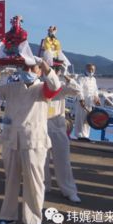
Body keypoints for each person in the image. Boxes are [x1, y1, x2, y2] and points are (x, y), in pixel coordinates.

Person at [0, 59, 61, 224]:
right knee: (10, 180)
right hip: (12, 139)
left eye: (31, 68)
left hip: (34, 142)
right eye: (24, 67)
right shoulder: (13, 86)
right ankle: (7, 216)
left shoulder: (43, 89)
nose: (27, 70)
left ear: (38, 71)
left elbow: (55, 85)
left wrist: (43, 63)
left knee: (34, 183)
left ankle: (35, 221)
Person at [44, 65, 81, 203]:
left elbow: (77, 90)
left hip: (58, 126)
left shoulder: (60, 87)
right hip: (41, 125)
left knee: (63, 161)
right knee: (41, 161)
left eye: (55, 69)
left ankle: (69, 190)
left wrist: (65, 76)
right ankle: (43, 186)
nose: (52, 71)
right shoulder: (38, 85)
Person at [73, 63, 100, 141]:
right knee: (80, 119)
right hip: (82, 102)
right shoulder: (81, 78)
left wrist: (97, 99)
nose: (91, 71)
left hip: (90, 102)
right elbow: (79, 90)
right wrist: (81, 99)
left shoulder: (94, 79)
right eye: (90, 69)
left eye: (93, 69)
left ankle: (86, 136)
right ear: (86, 69)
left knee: (88, 120)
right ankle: (80, 135)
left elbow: (95, 90)